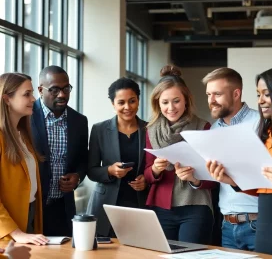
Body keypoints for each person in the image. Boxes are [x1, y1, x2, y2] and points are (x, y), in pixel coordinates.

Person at [207, 67, 272, 259]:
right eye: (259, 94)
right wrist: (232, 180)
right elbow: (261, 187)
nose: (260, 101)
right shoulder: (267, 132)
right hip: (266, 221)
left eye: (267, 94)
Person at [144, 65, 214, 244]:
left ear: (186, 101)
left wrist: (194, 179)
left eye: (176, 101)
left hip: (196, 207)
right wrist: (155, 169)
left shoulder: (203, 127)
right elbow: (147, 174)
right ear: (158, 104)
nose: (171, 108)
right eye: (165, 102)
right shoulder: (151, 130)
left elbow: (215, 176)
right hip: (161, 207)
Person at [202, 67, 259, 250]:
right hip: (227, 225)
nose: (211, 100)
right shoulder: (213, 130)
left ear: (236, 93)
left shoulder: (260, 123)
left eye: (217, 94)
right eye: (208, 94)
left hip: (258, 223)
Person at [31, 66, 88, 236]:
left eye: (66, 88)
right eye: (54, 89)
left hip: (63, 208)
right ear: (41, 90)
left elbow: (83, 159)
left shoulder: (79, 121)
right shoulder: (26, 116)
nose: (62, 94)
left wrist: (77, 176)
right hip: (33, 206)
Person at [87, 77, 148, 237]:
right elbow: (91, 171)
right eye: (121, 102)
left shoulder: (149, 129)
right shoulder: (99, 129)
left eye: (132, 101)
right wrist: (109, 170)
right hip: (106, 205)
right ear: (113, 104)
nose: (127, 107)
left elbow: (154, 167)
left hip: (140, 204)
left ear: (138, 101)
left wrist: (146, 180)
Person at [0, 73, 48, 245]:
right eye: (26, 94)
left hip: (29, 215)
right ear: (7, 99)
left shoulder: (23, 135)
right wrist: (16, 233)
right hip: (8, 230)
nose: (34, 99)